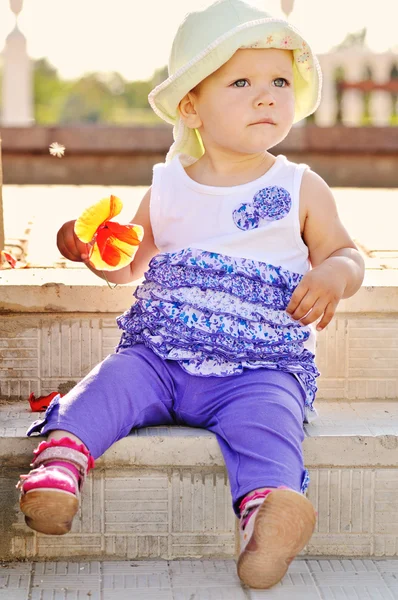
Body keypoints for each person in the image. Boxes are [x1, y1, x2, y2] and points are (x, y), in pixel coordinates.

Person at [18, 0, 365, 589]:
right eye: (242, 81)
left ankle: (267, 519)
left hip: (259, 366)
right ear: (190, 106)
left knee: (270, 419)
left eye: (280, 81)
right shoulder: (167, 184)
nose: (267, 96)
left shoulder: (300, 186)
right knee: (112, 381)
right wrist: (88, 247)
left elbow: (346, 253)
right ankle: (59, 465)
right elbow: (130, 265)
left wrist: (333, 275)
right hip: (160, 356)